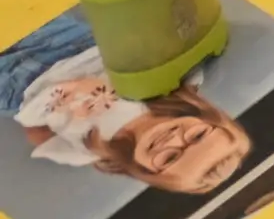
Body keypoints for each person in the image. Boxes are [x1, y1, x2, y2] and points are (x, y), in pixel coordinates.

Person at [1, 12, 249, 195]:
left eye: (170, 157)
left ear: (144, 170)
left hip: (17, 91)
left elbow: (39, 135)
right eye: (196, 137)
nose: (173, 141)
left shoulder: (93, 149)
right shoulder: (174, 85)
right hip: (68, 46)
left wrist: (34, 112)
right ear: (209, 118)